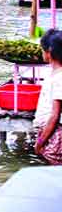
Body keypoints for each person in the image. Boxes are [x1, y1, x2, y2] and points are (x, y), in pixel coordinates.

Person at [34, 29, 62, 164]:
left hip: (55, 132)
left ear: (49, 52)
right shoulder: (53, 74)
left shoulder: (59, 77)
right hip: (48, 131)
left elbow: (54, 115)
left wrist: (40, 143)